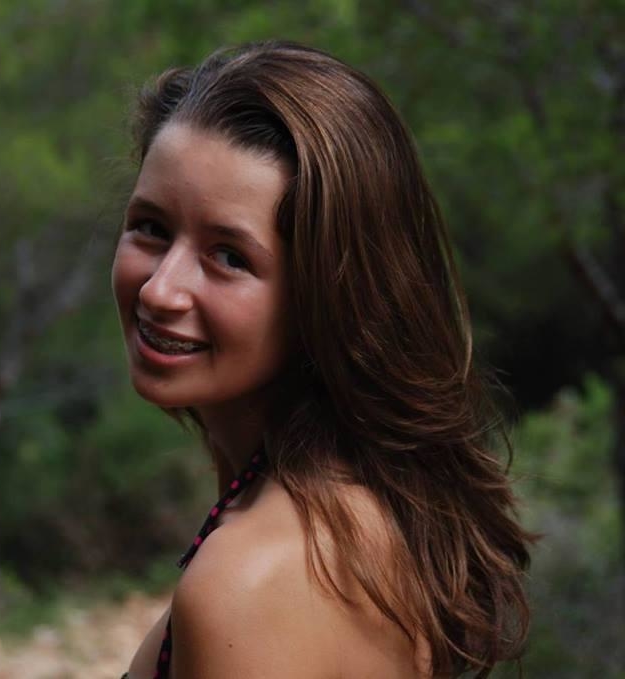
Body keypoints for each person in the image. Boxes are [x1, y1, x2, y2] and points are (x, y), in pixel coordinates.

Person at [111, 40, 532, 679]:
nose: (159, 290)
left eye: (229, 256)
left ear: (328, 295)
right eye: (151, 227)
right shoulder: (355, 508)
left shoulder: (253, 581)